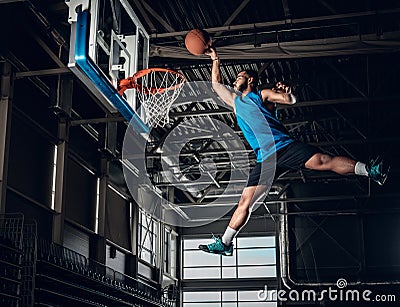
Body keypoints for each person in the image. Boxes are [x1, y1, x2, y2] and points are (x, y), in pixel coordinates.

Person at [198, 46, 389, 256]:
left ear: (250, 80)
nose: (235, 80)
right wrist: (215, 59)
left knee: (324, 160)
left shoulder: (261, 94)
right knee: (246, 202)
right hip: (266, 159)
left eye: (240, 76)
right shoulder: (236, 102)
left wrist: (287, 94)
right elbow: (216, 85)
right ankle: (225, 243)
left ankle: (370, 171)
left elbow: (290, 100)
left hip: (285, 147)